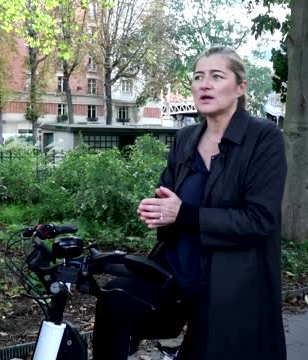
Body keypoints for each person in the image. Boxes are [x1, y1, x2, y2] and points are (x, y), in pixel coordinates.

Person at [92, 45, 288, 360]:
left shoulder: (264, 138)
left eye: (216, 76)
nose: (204, 84)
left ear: (240, 87)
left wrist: (183, 213)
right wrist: (158, 212)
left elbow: (259, 220)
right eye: (198, 77)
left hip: (232, 283)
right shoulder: (185, 139)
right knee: (115, 299)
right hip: (179, 273)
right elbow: (168, 199)